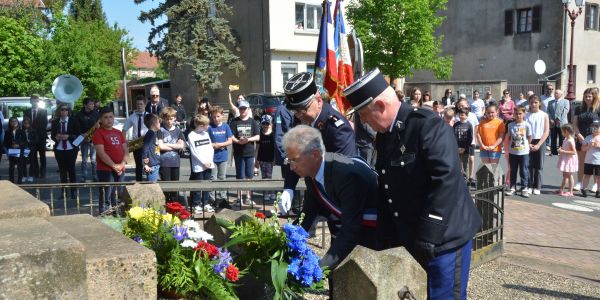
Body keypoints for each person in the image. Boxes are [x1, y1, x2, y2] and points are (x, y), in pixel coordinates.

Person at [343, 68, 481, 299]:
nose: (363, 122)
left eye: (363, 115)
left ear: (380, 106)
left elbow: (446, 180)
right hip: (413, 236)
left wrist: (429, 235)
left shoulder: (427, 126)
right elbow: (387, 186)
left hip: (445, 237)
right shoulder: (386, 135)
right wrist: (385, 237)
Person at [283, 125, 379, 269]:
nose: (291, 167)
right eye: (289, 161)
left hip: (379, 236)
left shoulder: (347, 175)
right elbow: (308, 214)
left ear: (315, 154)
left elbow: (350, 229)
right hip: (356, 231)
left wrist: (320, 269)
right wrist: (281, 241)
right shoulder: (312, 173)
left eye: (295, 160)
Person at [279, 72, 357, 214]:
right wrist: (289, 188)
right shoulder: (302, 119)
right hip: (314, 194)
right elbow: (295, 155)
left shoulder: (337, 128)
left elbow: (345, 170)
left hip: (335, 200)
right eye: (295, 111)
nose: (299, 115)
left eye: (303, 110)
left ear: (319, 101)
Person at [92, 108, 128, 215]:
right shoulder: (98, 133)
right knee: (106, 193)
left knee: (118, 193)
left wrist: (122, 164)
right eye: (106, 117)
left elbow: (126, 149)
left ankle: (117, 213)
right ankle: (105, 214)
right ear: (101, 120)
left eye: (111, 117)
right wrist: (114, 165)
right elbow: (101, 153)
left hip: (120, 168)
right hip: (105, 169)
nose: (109, 119)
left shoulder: (118, 132)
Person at [230, 100, 260, 205]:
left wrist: (248, 140)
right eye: (241, 108)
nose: (242, 110)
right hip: (238, 153)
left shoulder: (253, 122)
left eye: (244, 108)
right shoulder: (234, 121)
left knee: (249, 176)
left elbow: (258, 136)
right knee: (240, 176)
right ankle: (239, 198)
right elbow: (231, 136)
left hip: (249, 152)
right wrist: (238, 141)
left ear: (248, 109)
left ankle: (248, 197)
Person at [573, 88, 600, 191]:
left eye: (590, 96)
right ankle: (579, 182)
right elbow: (575, 124)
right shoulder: (579, 108)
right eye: (586, 96)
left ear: (594, 97)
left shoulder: (598, 108)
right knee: (582, 162)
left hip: (595, 138)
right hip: (582, 138)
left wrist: (597, 137)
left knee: (595, 162)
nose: (587, 98)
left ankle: (595, 184)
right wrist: (578, 134)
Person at [51, 103, 79, 199]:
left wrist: (69, 136)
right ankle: (63, 192)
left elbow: (78, 134)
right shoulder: (55, 122)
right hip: (59, 149)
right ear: (59, 111)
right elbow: (52, 135)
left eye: (65, 110)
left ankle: (73, 191)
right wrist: (56, 137)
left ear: (68, 111)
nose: (64, 111)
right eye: (62, 110)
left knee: (71, 170)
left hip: (70, 148)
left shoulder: (73, 121)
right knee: (62, 171)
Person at [188, 114, 215, 213]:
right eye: (206, 125)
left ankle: (206, 203)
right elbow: (194, 152)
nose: (207, 127)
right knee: (198, 186)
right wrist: (203, 162)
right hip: (199, 166)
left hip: (208, 164)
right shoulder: (191, 135)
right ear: (200, 125)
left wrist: (209, 161)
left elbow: (210, 148)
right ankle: (196, 204)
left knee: (207, 185)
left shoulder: (206, 134)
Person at [208, 106, 234, 208]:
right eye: (214, 117)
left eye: (218, 116)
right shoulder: (210, 127)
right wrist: (212, 145)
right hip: (212, 157)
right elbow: (206, 141)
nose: (216, 119)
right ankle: (212, 199)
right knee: (213, 177)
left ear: (222, 115)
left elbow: (230, 140)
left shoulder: (226, 126)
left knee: (222, 177)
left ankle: (222, 198)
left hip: (223, 156)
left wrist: (220, 145)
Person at [158, 107, 186, 202]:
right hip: (164, 162)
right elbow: (160, 147)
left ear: (174, 118)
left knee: (175, 187)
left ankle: (174, 206)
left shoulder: (178, 131)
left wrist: (167, 145)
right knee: (166, 186)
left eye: (171, 119)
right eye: (167, 119)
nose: (169, 121)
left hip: (175, 162)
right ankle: (166, 206)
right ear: (164, 119)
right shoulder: (160, 130)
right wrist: (175, 146)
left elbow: (181, 146)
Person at [504, 106, 532, 198]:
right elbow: (508, 137)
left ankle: (524, 188)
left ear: (524, 114)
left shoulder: (527, 125)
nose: (518, 115)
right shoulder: (510, 125)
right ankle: (512, 187)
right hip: (513, 152)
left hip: (524, 152)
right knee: (513, 170)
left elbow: (529, 137)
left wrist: (526, 145)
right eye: (516, 113)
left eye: (520, 113)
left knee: (524, 170)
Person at [525, 95, 550, 195]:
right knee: (529, 165)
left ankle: (537, 186)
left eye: (536, 102)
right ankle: (529, 185)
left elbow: (546, 131)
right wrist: (528, 143)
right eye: (531, 102)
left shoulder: (544, 115)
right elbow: (524, 130)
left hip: (540, 141)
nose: (533, 104)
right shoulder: (526, 115)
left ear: (539, 103)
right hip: (528, 141)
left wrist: (539, 144)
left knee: (539, 165)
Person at [123, 95, 148, 181]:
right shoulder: (132, 117)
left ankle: (150, 182)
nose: (139, 106)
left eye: (141, 104)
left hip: (147, 143)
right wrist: (124, 141)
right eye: (137, 104)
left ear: (145, 105)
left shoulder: (149, 116)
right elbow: (124, 129)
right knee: (138, 164)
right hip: (136, 144)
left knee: (148, 163)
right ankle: (139, 182)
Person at [454, 98, 479, 184]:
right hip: (460, 142)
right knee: (461, 159)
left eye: (463, 105)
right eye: (459, 105)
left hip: (470, 141)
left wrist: (474, 139)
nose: (461, 106)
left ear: (467, 105)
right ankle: (463, 175)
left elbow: (476, 127)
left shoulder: (472, 115)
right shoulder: (457, 116)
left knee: (471, 159)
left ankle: (471, 176)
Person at [24, 94, 48, 179]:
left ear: (38, 102)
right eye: (32, 100)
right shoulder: (26, 111)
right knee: (33, 156)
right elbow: (25, 124)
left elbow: (44, 124)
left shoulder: (43, 111)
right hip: (31, 137)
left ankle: (43, 172)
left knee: (42, 155)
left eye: (36, 100)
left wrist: (36, 133)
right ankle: (36, 172)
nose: (34, 102)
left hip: (41, 136)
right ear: (30, 101)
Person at [76, 98, 99, 182]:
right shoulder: (79, 115)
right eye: (90, 104)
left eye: (93, 104)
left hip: (94, 139)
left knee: (94, 160)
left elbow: (99, 126)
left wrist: (97, 128)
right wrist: (82, 134)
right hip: (83, 139)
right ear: (85, 105)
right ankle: (83, 176)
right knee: (84, 160)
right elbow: (76, 127)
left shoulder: (96, 114)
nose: (93, 105)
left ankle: (95, 175)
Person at [255, 114, 276, 200]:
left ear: (271, 124)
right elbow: (257, 148)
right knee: (264, 176)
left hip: (270, 158)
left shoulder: (273, 134)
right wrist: (256, 160)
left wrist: (275, 158)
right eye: (264, 124)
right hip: (262, 158)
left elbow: (275, 147)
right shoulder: (259, 134)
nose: (265, 126)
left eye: (267, 124)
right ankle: (266, 193)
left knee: (269, 175)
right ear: (261, 124)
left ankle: (271, 191)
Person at [556, 124, 578, 196]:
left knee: (569, 175)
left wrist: (563, 151)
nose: (561, 133)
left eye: (562, 132)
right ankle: (561, 189)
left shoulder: (570, 141)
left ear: (567, 132)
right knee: (565, 175)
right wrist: (561, 149)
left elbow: (574, 152)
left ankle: (570, 191)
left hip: (569, 160)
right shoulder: (566, 139)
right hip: (566, 158)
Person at [581, 120, 600, 198]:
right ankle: (584, 189)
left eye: (597, 127)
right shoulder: (588, 137)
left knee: (598, 176)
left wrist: (598, 146)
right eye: (593, 127)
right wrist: (588, 146)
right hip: (588, 160)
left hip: (598, 161)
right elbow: (583, 148)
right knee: (587, 175)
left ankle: (598, 190)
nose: (594, 129)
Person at [547, 89, 569, 156]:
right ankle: (553, 151)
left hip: (562, 122)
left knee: (562, 137)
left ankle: (561, 151)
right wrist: (550, 119)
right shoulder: (550, 102)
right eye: (555, 93)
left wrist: (558, 119)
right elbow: (548, 111)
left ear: (561, 94)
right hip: (553, 123)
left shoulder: (566, 101)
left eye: (557, 93)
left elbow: (566, 111)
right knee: (553, 137)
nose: (555, 94)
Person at [4, 117, 26, 184]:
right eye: (12, 121)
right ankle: (11, 180)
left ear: (17, 122)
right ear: (10, 123)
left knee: (20, 166)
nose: (14, 123)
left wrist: (18, 145)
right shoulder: (7, 132)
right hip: (11, 151)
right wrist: (10, 146)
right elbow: (5, 142)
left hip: (20, 151)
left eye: (15, 121)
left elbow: (25, 141)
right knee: (11, 167)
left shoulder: (21, 131)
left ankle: (20, 180)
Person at [453, 109, 473, 180]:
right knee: (457, 165)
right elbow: (453, 136)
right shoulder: (456, 124)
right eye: (460, 114)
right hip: (457, 148)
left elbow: (470, 138)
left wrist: (464, 148)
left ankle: (466, 181)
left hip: (466, 148)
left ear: (466, 116)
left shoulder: (469, 125)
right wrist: (457, 147)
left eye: (463, 114)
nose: (461, 116)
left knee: (465, 166)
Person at [142, 114, 161, 182]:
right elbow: (145, 149)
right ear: (154, 124)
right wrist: (146, 164)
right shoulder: (150, 134)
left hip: (155, 164)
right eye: (158, 122)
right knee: (152, 187)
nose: (160, 124)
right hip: (152, 166)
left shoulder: (153, 133)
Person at [21, 117, 37, 183]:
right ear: (23, 124)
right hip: (23, 149)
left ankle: (30, 176)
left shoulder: (33, 131)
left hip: (31, 148)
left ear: (30, 124)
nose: (26, 125)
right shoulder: (20, 131)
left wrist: (29, 141)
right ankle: (24, 176)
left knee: (32, 163)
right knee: (23, 163)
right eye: (25, 123)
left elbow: (36, 140)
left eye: (28, 123)